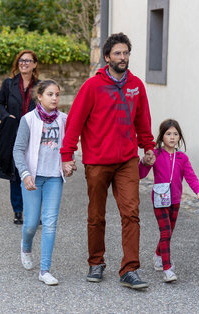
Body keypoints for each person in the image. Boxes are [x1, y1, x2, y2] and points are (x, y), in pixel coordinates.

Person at [60, 32, 156, 289]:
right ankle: (96, 262)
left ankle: (130, 269)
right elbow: (75, 122)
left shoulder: (136, 85)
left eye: (126, 53)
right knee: (96, 215)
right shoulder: (92, 86)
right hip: (98, 162)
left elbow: (142, 120)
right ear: (107, 57)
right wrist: (66, 155)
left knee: (131, 214)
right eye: (118, 53)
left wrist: (148, 146)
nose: (123, 58)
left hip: (127, 161)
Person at [13, 80, 71, 286]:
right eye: (50, 94)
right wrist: (25, 173)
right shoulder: (28, 120)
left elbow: (68, 148)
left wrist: (68, 164)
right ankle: (26, 246)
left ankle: (45, 270)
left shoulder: (64, 119)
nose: (55, 98)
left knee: (50, 223)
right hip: (33, 178)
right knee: (30, 224)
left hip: (54, 178)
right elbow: (18, 149)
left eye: (57, 94)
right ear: (39, 96)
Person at [139, 119, 199, 283]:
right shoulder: (155, 154)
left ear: (179, 137)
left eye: (175, 134)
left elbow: (190, 176)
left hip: (175, 201)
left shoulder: (182, 157)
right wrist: (143, 161)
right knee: (166, 232)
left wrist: (198, 191)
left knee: (168, 233)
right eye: (168, 133)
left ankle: (157, 255)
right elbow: (141, 174)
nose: (172, 137)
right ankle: (168, 269)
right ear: (161, 137)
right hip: (159, 200)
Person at [0, 50, 40, 225]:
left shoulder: (41, 86)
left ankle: (33, 211)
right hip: (13, 132)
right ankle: (18, 211)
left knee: (34, 171)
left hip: (34, 133)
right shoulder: (9, 84)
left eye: (28, 61)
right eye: (21, 60)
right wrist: (6, 116)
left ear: (35, 64)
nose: (24, 63)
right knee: (15, 171)